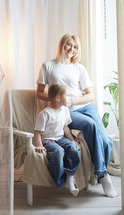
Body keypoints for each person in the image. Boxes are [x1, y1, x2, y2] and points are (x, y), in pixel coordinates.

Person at [36, 33, 118, 198]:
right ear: (62, 44)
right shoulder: (48, 66)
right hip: (68, 111)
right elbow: (39, 93)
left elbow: (90, 95)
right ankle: (103, 175)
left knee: (107, 140)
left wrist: (73, 101)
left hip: (85, 107)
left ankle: (97, 174)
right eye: (68, 44)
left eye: (75, 47)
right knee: (91, 126)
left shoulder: (79, 68)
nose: (71, 49)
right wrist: (57, 100)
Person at [34, 83, 80, 196]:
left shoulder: (65, 110)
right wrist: (39, 145)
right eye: (68, 95)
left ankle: (70, 177)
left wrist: (72, 140)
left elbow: (65, 127)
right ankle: (61, 181)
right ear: (58, 98)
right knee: (58, 151)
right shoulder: (44, 114)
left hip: (60, 138)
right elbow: (37, 132)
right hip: (48, 141)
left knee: (74, 147)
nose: (70, 98)